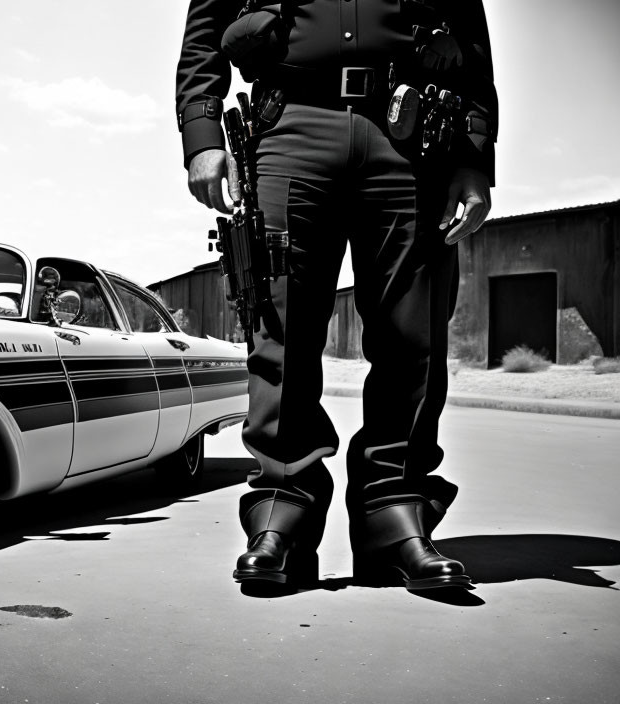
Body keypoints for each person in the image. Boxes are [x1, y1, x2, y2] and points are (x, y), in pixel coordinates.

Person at [176, 0, 497, 591]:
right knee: (280, 334)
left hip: (412, 132)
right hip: (288, 123)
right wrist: (201, 133)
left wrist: (474, 158)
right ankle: (284, 508)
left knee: (413, 336)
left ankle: (393, 513)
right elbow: (204, 37)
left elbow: (471, 45)